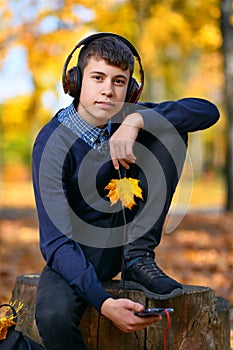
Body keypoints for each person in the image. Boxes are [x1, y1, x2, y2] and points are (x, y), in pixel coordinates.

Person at [32, 32, 220, 349]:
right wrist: (104, 304)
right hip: (78, 253)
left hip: (128, 240)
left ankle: (137, 258)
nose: (108, 90)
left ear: (131, 89)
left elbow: (206, 111)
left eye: (119, 81)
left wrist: (136, 121)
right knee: (53, 315)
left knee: (168, 127)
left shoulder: (126, 115)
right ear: (74, 82)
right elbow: (55, 242)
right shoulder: (51, 144)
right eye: (98, 77)